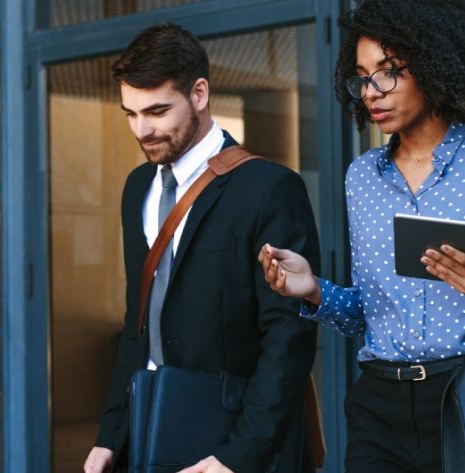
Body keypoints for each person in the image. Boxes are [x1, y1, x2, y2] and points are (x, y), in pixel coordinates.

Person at [259, 1, 465, 472]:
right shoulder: (362, 178)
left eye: (388, 72)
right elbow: (368, 310)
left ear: (435, 65)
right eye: (361, 77)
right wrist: (315, 290)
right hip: (378, 405)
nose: (371, 92)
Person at [83, 23, 321, 473]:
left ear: (198, 93)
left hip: (233, 437)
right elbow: (137, 321)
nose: (142, 129)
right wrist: (110, 434)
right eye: (130, 114)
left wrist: (239, 455)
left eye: (156, 111)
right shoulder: (137, 188)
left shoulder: (269, 188)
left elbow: (287, 336)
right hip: (148, 424)